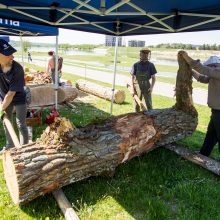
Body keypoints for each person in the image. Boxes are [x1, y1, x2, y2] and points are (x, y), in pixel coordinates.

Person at [179, 51, 220, 157]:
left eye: (210, 67)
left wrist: (187, 57)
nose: (209, 70)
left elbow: (203, 69)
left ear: (215, 65)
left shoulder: (218, 72)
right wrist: (191, 71)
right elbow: (202, 78)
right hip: (216, 111)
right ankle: (203, 154)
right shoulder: (215, 75)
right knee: (211, 135)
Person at [0, 39, 28, 153]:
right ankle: (10, 145)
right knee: (6, 121)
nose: (12, 57)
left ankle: (25, 148)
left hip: (18, 96)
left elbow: (11, 94)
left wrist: (1, 109)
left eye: (12, 53)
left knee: (21, 123)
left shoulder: (17, 69)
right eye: (8, 54)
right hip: (4, 97)